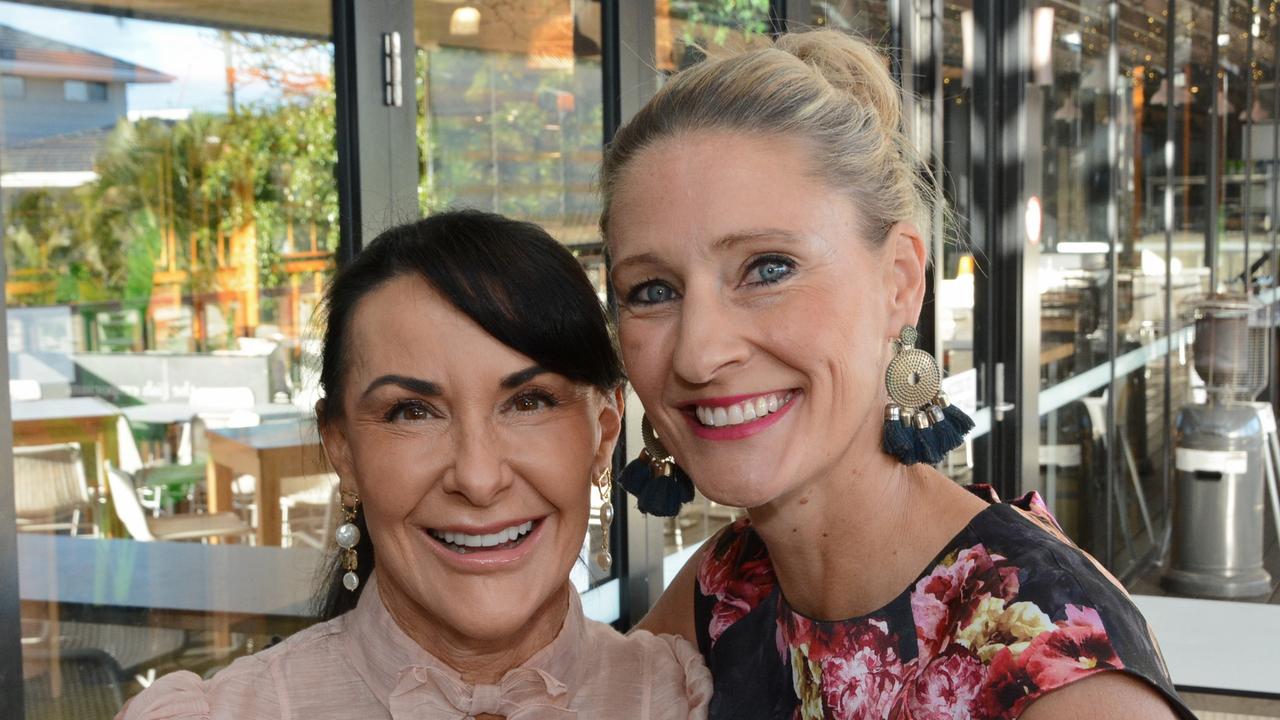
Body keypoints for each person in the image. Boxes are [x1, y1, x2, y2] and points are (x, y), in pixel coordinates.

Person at [599, 29, 1195, 720]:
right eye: (651, 290)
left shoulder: (1055, 669)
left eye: (768, 269)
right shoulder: (729, 587)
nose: (698, 354)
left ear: (900, 282)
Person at [117, 210, 710, 720]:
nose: (478, 479)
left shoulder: (683, 700)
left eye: (528, 402)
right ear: (342, 449)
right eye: (411, 412)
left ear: (604, 434)